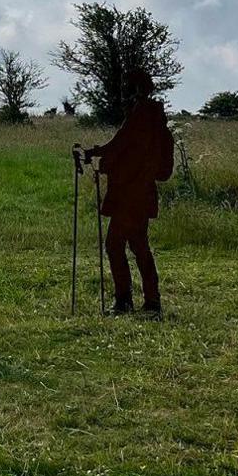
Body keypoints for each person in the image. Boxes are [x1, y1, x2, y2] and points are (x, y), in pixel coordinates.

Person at [84, 69, 174, 314]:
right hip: (141, 192)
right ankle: (151, 302)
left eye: (128, 86)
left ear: (135, 88)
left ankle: (125, 301)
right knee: (137, 244)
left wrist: (94, 153)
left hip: (130, 194)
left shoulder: (141, 115)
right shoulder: (153, 117)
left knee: (115, 244)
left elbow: (119, 145)